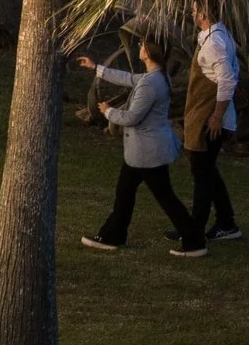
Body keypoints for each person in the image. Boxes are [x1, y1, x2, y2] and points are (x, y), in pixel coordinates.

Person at [75, 40, 204, 255]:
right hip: (144, 151)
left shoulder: (150, 84)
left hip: (146, 152)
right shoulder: (156, 77)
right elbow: (128, 78)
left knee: (164, 197)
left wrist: (108, 111)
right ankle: (113, 235)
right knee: (125, 192)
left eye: (142, 45)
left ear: (150, 52)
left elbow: (132, 117)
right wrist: (96, 68)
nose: (139, 47)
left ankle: (194, 241)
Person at [183, 0, 242, 242]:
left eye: (194, 9)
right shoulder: (216, 36)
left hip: (211, 120)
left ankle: (195, 228)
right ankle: (226, 222)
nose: (192, 13)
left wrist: (217, 116)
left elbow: (227, 80)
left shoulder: (214, 42)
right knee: (207, 171)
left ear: (204, 13)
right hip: (209, 117)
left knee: (202, 173)